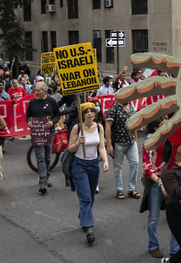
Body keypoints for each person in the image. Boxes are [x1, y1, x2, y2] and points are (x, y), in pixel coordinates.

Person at [68, 102, 109, 244]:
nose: (90, 113)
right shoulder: (77, 128)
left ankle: (84, 215)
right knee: (85, 198)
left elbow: (101, 147)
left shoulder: (99, 126)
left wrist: (105, 160)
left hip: (93, 165)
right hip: (79, 165)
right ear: (82, 115)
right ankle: (89, 228)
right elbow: (70, 149)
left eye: (92, 111)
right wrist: (79, 142)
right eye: (87, 111)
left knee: (90, 196)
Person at [141, 117, 180, 258]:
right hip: (155, 181)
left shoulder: (172, 137)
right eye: (163, 124)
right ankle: (153, 245)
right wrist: (160, 183)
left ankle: (175, 250)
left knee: (176, 217)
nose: (167, 125)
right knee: (153, 217)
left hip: (171, 179)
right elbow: (146, 167)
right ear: (156, 128)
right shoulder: (148, 142)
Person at [26, 82, 61, 194]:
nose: (35, 92)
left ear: (45, 91)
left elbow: (57, 115)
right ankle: (42, 182)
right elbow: (27, 115)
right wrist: (29, 122)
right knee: (40, 157)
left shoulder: (51, 101)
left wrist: (52, 122)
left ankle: (46, 177)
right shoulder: (32, 102)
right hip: (36, 133)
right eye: (35, 90)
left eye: (38, 90)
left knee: (47, 157)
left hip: (48, 133)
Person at [105, 100, 140, 199]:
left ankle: (131, 189)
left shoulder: (132, 108)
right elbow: (108, 126)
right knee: (118, 167)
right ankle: (119, 190)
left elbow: (134, 125)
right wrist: (109, 145)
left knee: (135, 163)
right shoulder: (113, 109)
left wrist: (136, 139)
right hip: (118, 143)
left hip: (131, 142)